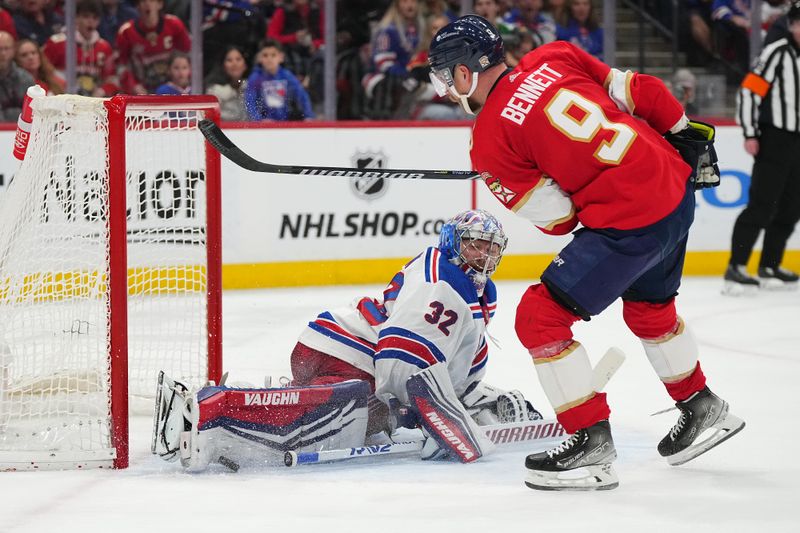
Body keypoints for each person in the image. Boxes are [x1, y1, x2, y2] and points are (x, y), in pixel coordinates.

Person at [427, 15, 744, 491]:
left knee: (539, 317)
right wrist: (679, 131)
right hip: (675, 191)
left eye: (447, 76)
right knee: (650, 309)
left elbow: (560, 220)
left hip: (630, 223)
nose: (447, 89)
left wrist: (543, 173)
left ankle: (589, 442)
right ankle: (702, 406)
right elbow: (644, 91)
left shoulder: (489, 141)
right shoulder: (553, 54)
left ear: (466, 73)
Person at [152, 209, 542, 471]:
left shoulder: (469, 291)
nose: (485, 254)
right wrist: (429, 414)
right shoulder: (447, 282)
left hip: (337, 348)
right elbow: (402, 357)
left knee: (360, 417)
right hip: (351, 353)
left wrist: (486, 402)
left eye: (492, 247)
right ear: (453, 242)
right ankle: (213, 412)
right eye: (475, 243)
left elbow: (445, 372)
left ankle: (264, 403)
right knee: (347, 411)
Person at [726, 1, 800, 293]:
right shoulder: (777, 52)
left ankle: (770, 264)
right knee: (762, 203)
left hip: (798, 141)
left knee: (791, 206)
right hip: (775, 137)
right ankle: (737, 266)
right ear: (793, 25)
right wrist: (750, 132)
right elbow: (750, 92)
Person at [42, 0, 116, 97]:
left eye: (95, 18)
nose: (91, 21)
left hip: (93, 102)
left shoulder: (104, 47)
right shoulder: (56, 43)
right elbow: (43, 72)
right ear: (76, 18)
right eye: (86, 16)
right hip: (61, 99)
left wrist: (102, 91)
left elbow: (111, 79)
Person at [115, 0, 191, 94]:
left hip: (173, 88)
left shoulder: (174, 25)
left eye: (151, 1)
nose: (147, 4)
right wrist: (134, 86)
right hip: (142, 90)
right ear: (137, 6)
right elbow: (122, 67)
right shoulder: (126, 32)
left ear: (160, 4)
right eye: (143, 1)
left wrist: (183, 81)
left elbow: (188, 55)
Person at [244, 39, 314, 121]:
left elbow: (302, 95)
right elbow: (250, 102)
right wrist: (258, 120)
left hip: (285, 122)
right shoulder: (255, 78)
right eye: (265, 55)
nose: (269, 59)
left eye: (273, 55)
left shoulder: (286, 76)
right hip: (264, 123)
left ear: (281, 57)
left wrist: (309, 116)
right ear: (259, 58)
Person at [204, 45, 249, 121]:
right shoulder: (214, 91)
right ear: (223, 66)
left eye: (238, 59)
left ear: (245, 65)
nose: (234, 63)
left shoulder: (252, 86)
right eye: (229, 60)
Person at [1, 31, 35, 122]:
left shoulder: (26, 79)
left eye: (6, 48)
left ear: (13, 50)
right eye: (0, 49)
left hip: (22, 130)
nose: (3, 53)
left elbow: (33, 113)